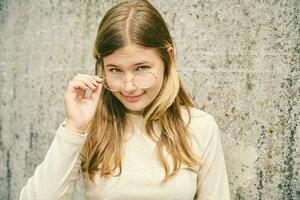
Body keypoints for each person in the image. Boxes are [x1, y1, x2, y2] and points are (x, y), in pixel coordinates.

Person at [19, 0, 230, 199]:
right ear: (102, 66)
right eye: (115, 70)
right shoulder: (89, 126)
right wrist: (74, 128)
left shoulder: (200, 126)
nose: (129, 86)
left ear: (168, 58)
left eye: (142, 68)